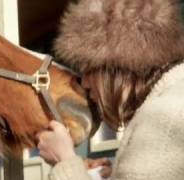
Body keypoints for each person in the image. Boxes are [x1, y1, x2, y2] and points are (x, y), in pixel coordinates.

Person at [37, 0, 184, 179]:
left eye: (88, 70)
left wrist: (64, 160)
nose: (84, 83)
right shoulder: (173, 99)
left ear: (117, 67)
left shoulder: (163, 119)